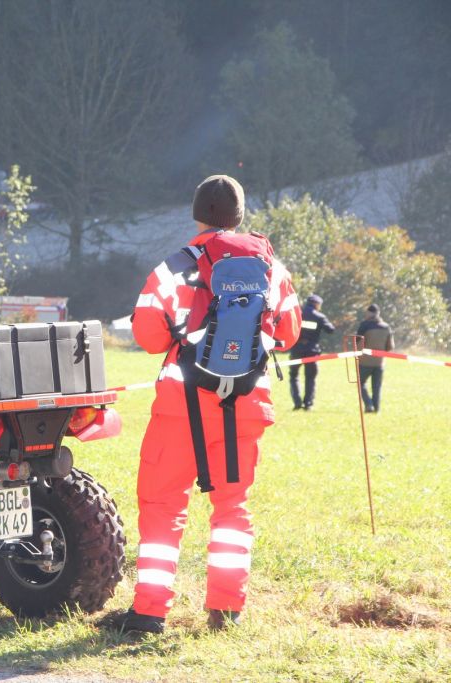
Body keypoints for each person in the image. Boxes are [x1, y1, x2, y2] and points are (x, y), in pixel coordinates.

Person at [102, 175, 301, 635]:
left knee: (162, 507)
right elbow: (289, 334)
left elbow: (149, 338)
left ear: (196, 215)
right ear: (239, 215)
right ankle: (226, 612)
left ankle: (149, 614)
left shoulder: (173, 269)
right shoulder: (271, 268)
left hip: (181, 406)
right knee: (232, 509)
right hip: (245, 405)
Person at [288, 294, 335, 410]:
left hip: (296, 349)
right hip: (311, 351)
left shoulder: (297, 314)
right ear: (317, 304)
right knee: (310, 378)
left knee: (294, 376)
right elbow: (330, 330)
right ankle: (308, 404)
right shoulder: (319, 316)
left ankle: (297, 402)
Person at [357, 304, 394, 413]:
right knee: (376, 387)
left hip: (365, 361)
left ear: (369, 313)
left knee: (360, 383)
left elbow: (357, 342)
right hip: (379, 362)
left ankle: (368, 404)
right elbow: (390, 346)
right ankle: (376, 408)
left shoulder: (364, 326)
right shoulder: (386, 327)